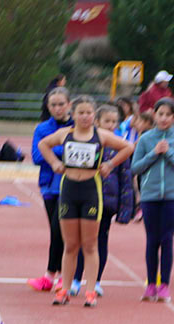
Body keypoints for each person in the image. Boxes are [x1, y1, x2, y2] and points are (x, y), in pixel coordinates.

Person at [38, 96, 134, 307]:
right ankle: (64, 289)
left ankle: (90, 291)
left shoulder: (101, 135)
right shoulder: (65, 134)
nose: (85, 116)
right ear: (73, 114)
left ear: (94, 115)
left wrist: (110, 164)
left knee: (90, 245)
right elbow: (43, 144)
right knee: (71, 245)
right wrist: (54, 163)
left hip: (91, 190)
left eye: (89, 113)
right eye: (80, 112)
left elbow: (128, 147)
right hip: (69, 190)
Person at [69, 104, 136, 298]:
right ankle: (75, 279)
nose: (111, 125)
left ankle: (96, 280)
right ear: (97, 122)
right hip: (86, 197)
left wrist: (125, 208)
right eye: (107, 121)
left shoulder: (120, 146)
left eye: (114, 122)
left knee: (101, 241)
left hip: (107, 202)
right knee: (83, 241)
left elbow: (126, 178)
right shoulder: (88, 142)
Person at [130, 98, 174, 302]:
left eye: (168, 115)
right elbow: (135, 167)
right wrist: (154, 153)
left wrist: (169, 152)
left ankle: (164, 285)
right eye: (160, 114)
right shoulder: (145, 139)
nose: (164, 118)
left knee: (167, 238)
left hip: (172, 196)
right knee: (152, 239)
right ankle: (150, 284)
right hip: (150, 196)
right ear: (154, 115)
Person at [27, 87, 73, 292]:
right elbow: (37, 156)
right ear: (48, 106)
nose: (57, 108)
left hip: (70, 184)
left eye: (61, 104)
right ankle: (52, 275)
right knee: (55, 231)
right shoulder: (42, 128)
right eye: (53, 105)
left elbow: (81, 151)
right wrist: (63, 149)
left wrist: (50, 149)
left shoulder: (76, 127)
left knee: (60, 230)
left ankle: (58, 275)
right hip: (48, 185)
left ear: (69, 104)